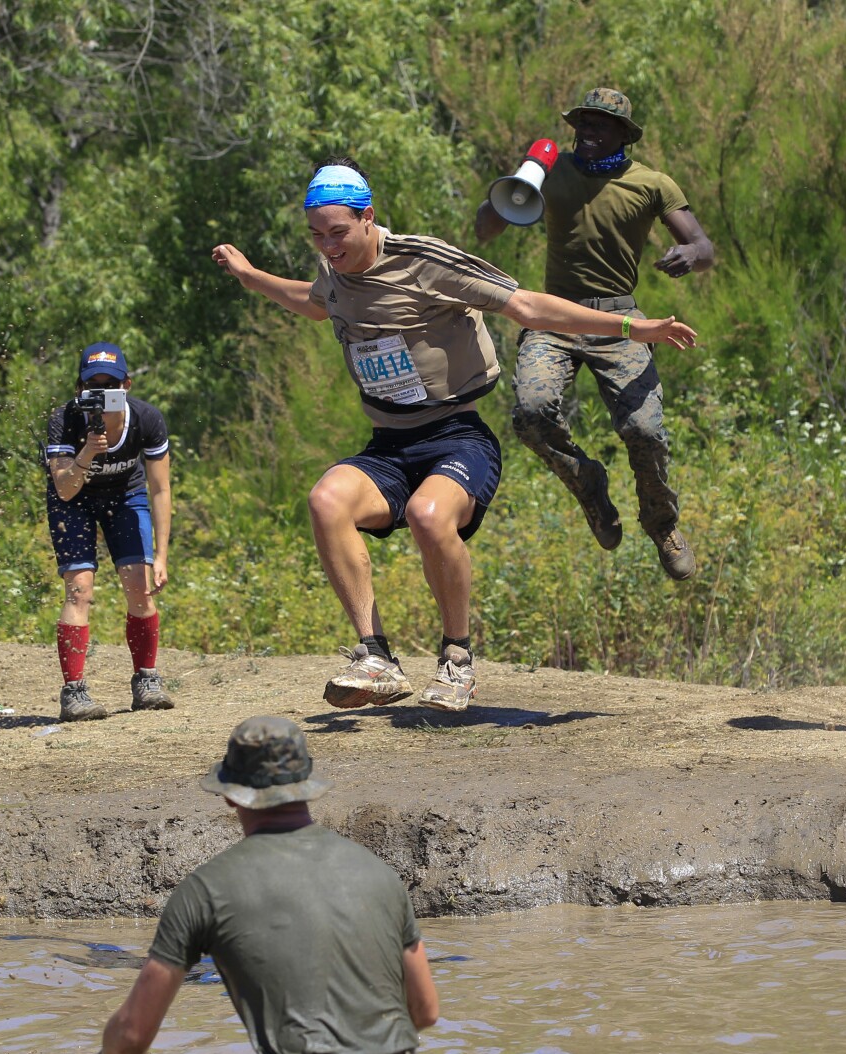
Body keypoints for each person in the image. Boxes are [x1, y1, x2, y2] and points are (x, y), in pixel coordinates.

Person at [211, 159, 696, 712]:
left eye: (338, 232)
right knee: (325, 500)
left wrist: (635, 327)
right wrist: (251, 276)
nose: (328, 245)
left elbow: (527, 305)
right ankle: (376, 658)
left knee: (428, 515)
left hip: (456, 437)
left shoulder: (425, 260)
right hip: (388, 444)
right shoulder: (334, 270)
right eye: (317, 235)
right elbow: (317, 303)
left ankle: (456, 661)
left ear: (368, 218)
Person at [88, 716, 445, 1054]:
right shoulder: (378, 873)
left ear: (229, 795)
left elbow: (133, 1033)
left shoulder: (206, 890)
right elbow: (426, 1010)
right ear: (307, 787)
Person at [475, 88, 715, 580]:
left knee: (644, 431)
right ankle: (588, 484)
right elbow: (485, 230)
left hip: (619, 321)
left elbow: (703, 245)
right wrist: (511, 192)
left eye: (600, 125)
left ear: (623, 135)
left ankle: (661, 523)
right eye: (582, 123)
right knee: (532, 414)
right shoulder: (550, 173)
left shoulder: (651, 183)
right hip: (555, 318)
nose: (587, 132)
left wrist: (690, 256)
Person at [43, 342, 174, 721]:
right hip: (74, 500)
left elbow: (160, 489)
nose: (102, 396)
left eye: (110, 387)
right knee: (79, 588)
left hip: (125, 496)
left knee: (139, 583)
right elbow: (65, 488)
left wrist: (161, 555)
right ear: (79, 390)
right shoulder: (64, 419)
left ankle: (147, 679)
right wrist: (87, 452)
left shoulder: (147, 419)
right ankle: (74, 692)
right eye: (92, 387)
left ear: (127, 386)